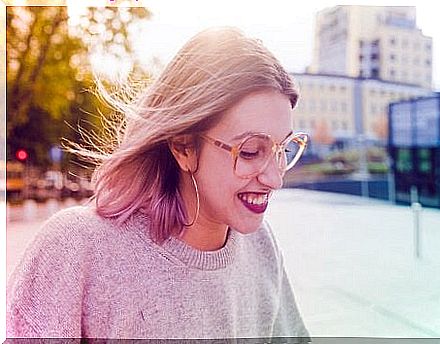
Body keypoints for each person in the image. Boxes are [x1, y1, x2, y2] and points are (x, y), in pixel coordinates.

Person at [7, 27, 310, 340]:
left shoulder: (260, 245)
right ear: (183, 147)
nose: (275, 178)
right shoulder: (77, 247)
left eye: (284, 149)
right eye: (249, 152)